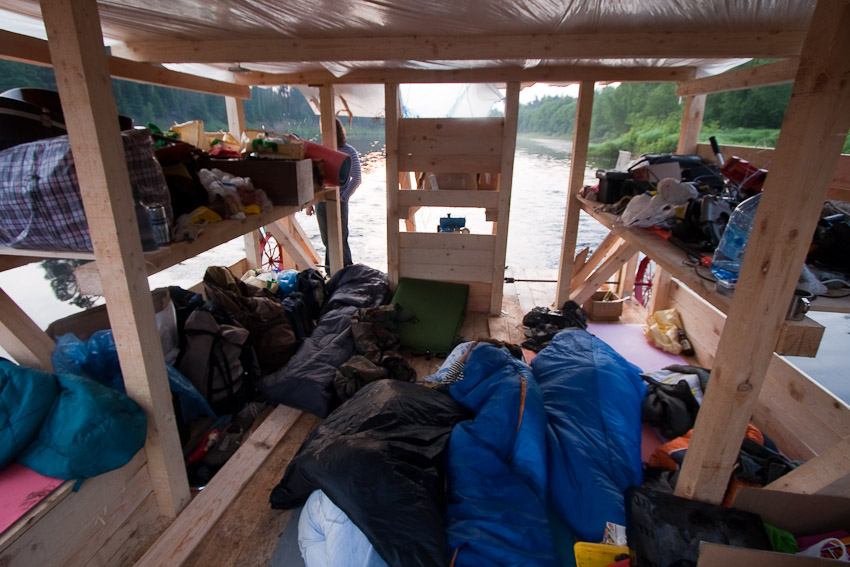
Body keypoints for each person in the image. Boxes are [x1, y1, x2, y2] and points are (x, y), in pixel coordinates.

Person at [307, 117, 362, 269]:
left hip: (339, 202)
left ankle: (347, 270)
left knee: (340, 238)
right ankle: (332, 272)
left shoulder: (349, 151)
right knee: (327, 240)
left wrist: (344, 197)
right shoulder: (320, 151)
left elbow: (357, 178)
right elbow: (313, 179)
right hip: (321, 202)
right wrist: (310, 203)